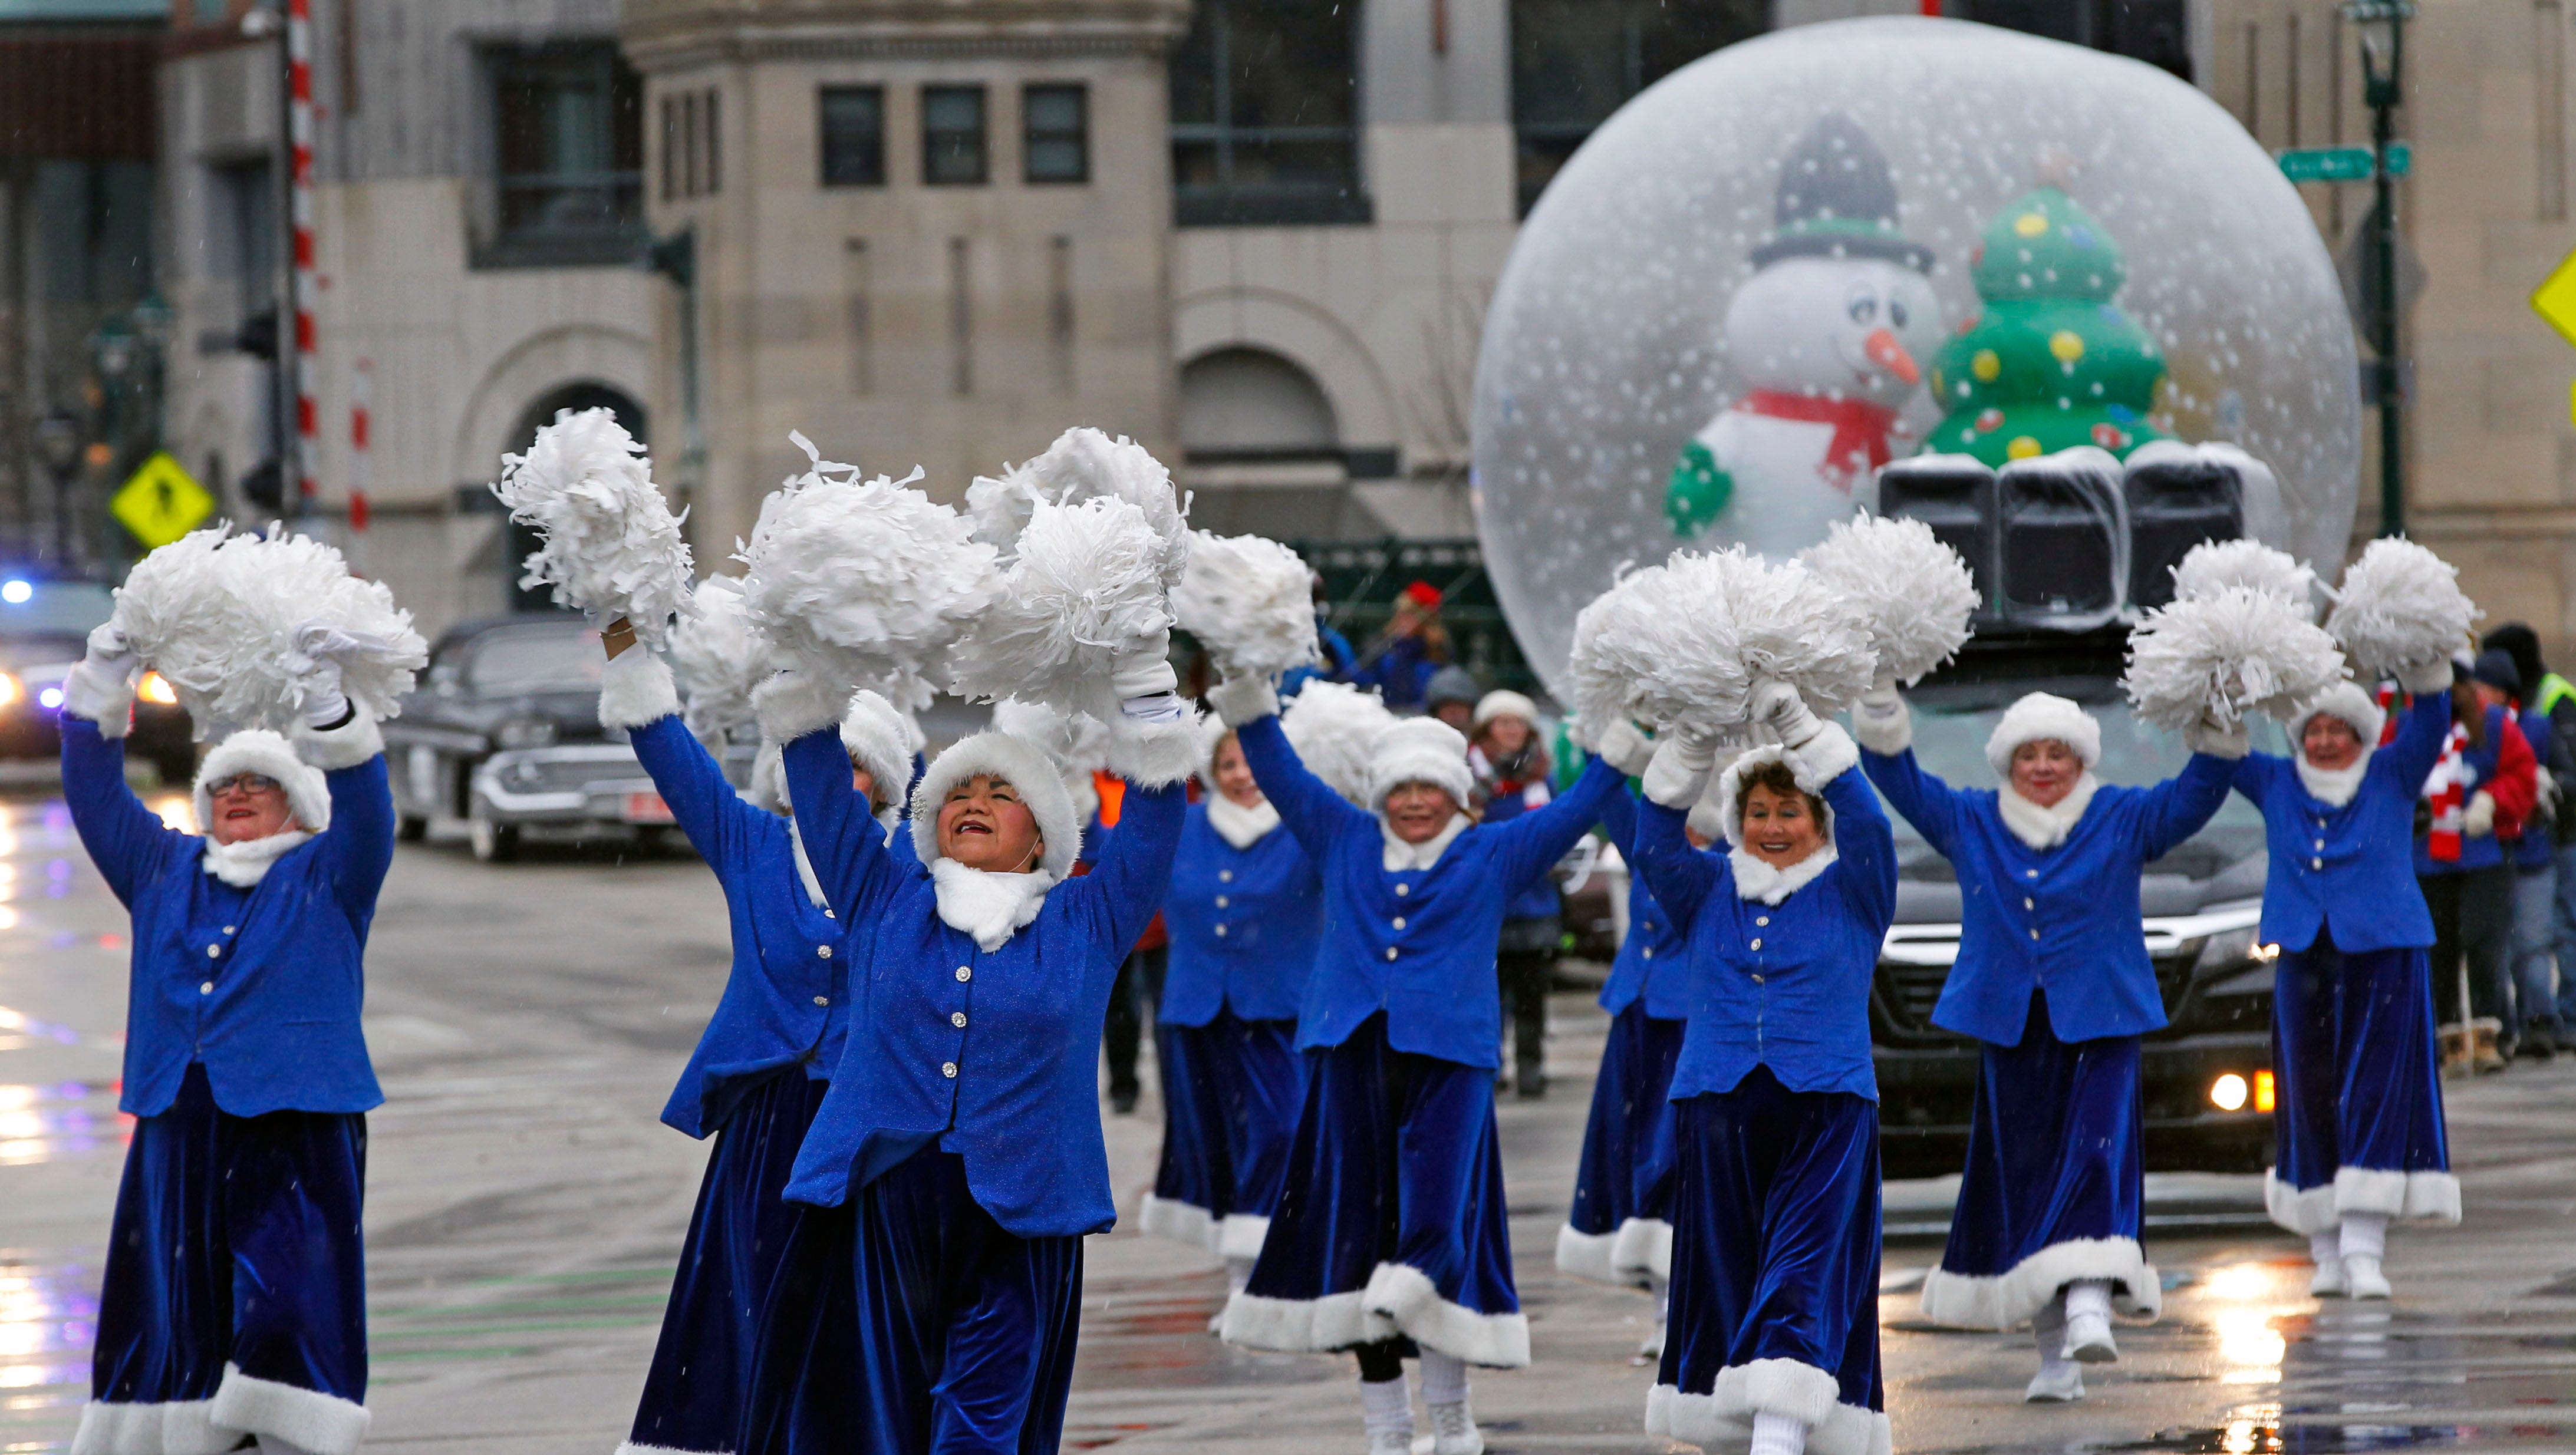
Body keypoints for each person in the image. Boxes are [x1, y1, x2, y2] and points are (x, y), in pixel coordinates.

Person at [757, 638, 1196, 1455]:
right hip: (885, 1197)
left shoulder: (1087, 918)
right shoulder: (886, 897)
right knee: (875, 1421)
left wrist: (1145, 691)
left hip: (1021, 1209)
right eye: (958, 789)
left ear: (1044, 837)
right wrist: (799, 656)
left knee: (979, 1429)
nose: (974, 800)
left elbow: (1156, 816)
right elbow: (819, 793)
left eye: (1001, 792)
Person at [1211, 672, 1622, 1455]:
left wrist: (1620, 741)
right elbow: (1283, 775)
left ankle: (1453, 1414)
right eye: (1398, 789)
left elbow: (1576, 807)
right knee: (1361, 1236)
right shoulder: (1342, 836)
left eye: (1428, 789)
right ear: (1378, 795)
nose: (1412, 802)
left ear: (1456, 794)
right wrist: (1247, 697)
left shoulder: (1493, 849)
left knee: (1435, 1219)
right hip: (1348, 1051)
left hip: (1450, 1057)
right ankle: (1387, 1427)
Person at [1853, 685, 2239, 1402]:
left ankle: (2091, 1299)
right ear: (2005, 762)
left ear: (2078, 757)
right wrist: (1880, 720)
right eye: (2027, 753)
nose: (2041, 766)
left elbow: (2190, 799)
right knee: (2025, 1175)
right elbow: (1901, 783)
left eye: (2054, 752)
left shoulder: (2120, 817)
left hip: (2102, 1016)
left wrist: (2214, 737)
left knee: (2094, 1151)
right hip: (2007, 1021)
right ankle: (2053, 1358)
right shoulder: (1970, 818)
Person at [60, 622, 391, 1455]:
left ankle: (287, 1437)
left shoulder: (328, 872)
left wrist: (326, 701)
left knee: (289, 1305)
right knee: (179, 1301)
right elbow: (92, 790)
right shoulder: (161, 868)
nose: (238, 794)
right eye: (226, 782)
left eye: (260, 783)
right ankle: (199, 1435)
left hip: (298, 1122)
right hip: (179, 1120)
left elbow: (368, 803)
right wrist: (107, 677)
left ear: (297, 803)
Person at [594, 621, 917, 1454]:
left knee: (847, 1311)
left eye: (855, 767)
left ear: (880, 783)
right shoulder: (752, 843)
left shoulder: (909, 865)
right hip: (766, 1122)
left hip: (866, 1123)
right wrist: (622, 636)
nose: (835, 783)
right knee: (746, 1296)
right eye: (822, 761)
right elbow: (672, 756)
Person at [1633, 687, 1895, 1455]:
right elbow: (1653, 840)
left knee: (1802, 1269)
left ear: (1817, 823)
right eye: (1757, 812)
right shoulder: (1706, 886)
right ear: (1735, 820)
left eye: (1790, 812)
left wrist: (1799, 727)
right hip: (1715, 1107)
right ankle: (1739, 1425)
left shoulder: (1853, 889)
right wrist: (1686, 743)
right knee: (1727, 1274)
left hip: (1827, 1109)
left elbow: (1873, 821)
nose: (1772, 827)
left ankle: (1777, 1435)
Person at [2232, 677, 2462, 1301]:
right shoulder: (2275, 780)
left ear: (2362, 736)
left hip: (2383, 951)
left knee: (2375, 1091)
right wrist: (2217, 682)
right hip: (2302, 953)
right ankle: (2324, 1252)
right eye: (2314, 729)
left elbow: (2431, 716)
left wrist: (2424, 663)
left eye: (2338, 729)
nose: (2326, 740)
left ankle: (2363, 1248)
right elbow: (2215, 751)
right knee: (2305, 1095)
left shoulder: (2390, 773)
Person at [1138, 724, 1324, 1306]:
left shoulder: (1305, 826)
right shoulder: (1183, 828)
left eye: (1251, 763)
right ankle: (1239, 1275)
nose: (1241, 776)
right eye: (1227, 766)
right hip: (1195, 1014)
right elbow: (1101, 852)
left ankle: (1275, 1261)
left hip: (1278, 1011)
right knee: (1211, 1143)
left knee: (1280, 1133)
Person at [1555, 722, 1707, 1360]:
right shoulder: (1652, 839)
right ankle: (1659, 1306)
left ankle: (1687, 1310)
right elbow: (1608, 795)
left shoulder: (1728, 862)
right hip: (1636, 1017)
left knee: (1674, 1160)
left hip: (1689, 1023)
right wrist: (1599, 724)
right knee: (1632, 1159)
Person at [2419, 654, 2537, 1072]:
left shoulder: (2495, 726)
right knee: (2438, 951)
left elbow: (2523, 775)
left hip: (2482, 852)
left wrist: (2493, 800)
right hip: (2429, 856)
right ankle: (2446, 1037)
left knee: (2484, 943)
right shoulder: (2411, 725)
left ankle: (2493, 1033)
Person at [1470, 689, 1563, 1098]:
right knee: (1487, 995)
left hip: (1536, 901)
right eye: (1501, 722)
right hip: (1487, 905)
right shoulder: (1470, 779)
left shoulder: (1545, 778)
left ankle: (1530, 1065)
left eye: (1517, 722)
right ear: (1486, 730)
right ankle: (1490, 1063)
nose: (1510, 730)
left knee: (1530, 994)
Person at [2487, 623, 2576, 1042]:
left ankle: (2556, 1017)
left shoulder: (2552, 703)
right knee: (2522, 941)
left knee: (2551, 931)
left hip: (2555, 837)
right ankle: (2534, 1017)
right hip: (2522, 844)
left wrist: (2547, 785)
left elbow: (2567, 769)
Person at [1353, 582, 1453, 712]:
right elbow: (1363, 682)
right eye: (1401, 614)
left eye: (1410, 615)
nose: (1403, 620)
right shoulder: (1382, 648)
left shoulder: (1438, 653)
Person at [1424, 665, 1483, 736]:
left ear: (1471, 710)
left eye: (1460, 705)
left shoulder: (1483, 745)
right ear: (1436, 712)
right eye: (1447, 706)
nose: (1454, 712)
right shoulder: (1425, 744)